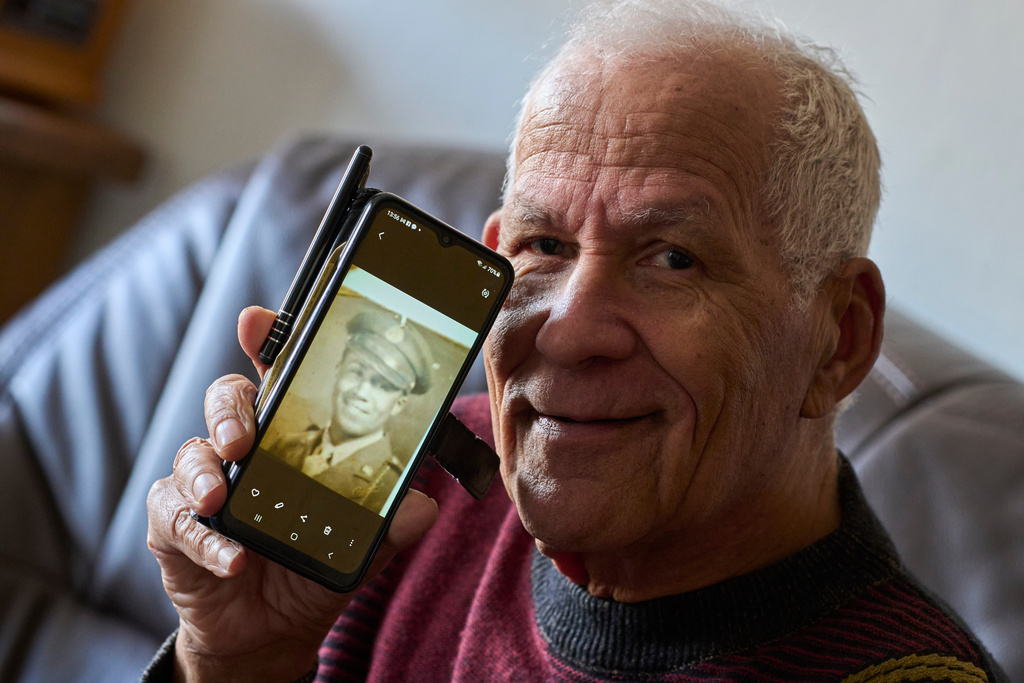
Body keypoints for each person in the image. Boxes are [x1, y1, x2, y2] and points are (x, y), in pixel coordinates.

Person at [144, 1, 1007, 681]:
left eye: (673, 258)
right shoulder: (419, 483)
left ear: (839, 338)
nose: (569, 330)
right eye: (545, 247)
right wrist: (237, 662)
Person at [264, 310, 432, 513]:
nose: (361, 392)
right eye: (356, 372)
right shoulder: (286, 445)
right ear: (338, 370)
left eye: (383, 386)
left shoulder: (388, 488)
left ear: (398, 404)